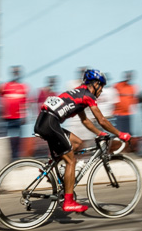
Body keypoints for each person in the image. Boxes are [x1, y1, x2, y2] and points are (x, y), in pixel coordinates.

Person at [34, 69, 131, 213]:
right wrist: (120, 133)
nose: (101, 91)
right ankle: (68, 201)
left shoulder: (79, 93)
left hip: (46, 121)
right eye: (101, 87)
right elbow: (102, 120)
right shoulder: (88, 96)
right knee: (71, 161)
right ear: (96, 84)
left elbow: (85, 120)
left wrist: (100, 133)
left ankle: (49, 167)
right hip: (50, 123)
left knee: (78, 143)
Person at [0, 65, 28, 159]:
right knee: (6, 139)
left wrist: (24, 116)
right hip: (7, 117)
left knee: (18, 139)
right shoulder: (5, 86)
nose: (16, 74)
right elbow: (0, 99)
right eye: (14, 72)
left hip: (18, 117)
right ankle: (6, 156)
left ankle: (16, 157)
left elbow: (24, 102)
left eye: (17, 72)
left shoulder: (23, 86)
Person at [112, 70, 139, 137]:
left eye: (130, 76)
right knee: (119, 133)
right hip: (118, 114)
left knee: (128, 133)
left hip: (128, 114)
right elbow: (112, 96)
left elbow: (135, 100)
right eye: (127, 76)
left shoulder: (132, 87)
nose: (128, 77)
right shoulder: (117, 85)